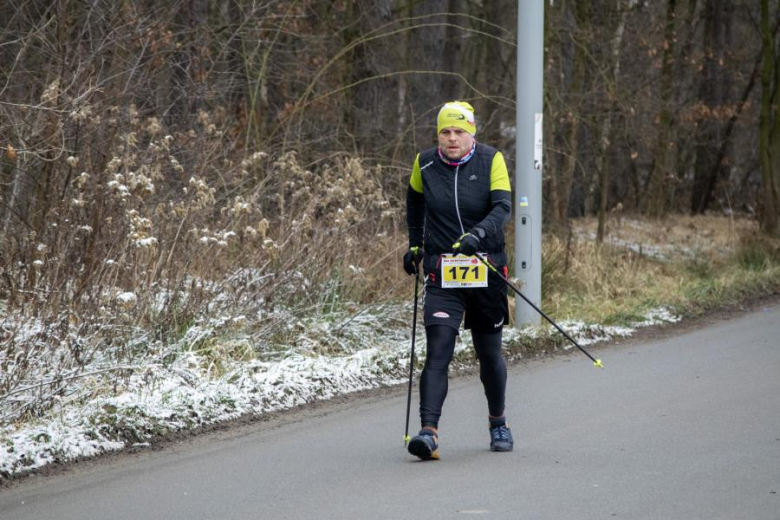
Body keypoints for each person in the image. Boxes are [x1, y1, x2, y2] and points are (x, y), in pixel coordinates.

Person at [403, 101, 513, 460]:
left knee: (488, 354)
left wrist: (478, 235)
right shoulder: (425, 163)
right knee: (438, 352)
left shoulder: (491, 159)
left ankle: (498, 422)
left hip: (486, 268)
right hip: (442, 270)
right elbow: (415, 201)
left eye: (459, 132)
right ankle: (428, 432)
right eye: (445, 132)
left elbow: (502, 207)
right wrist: (416, 244)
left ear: (471, 133)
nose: (452, 138)